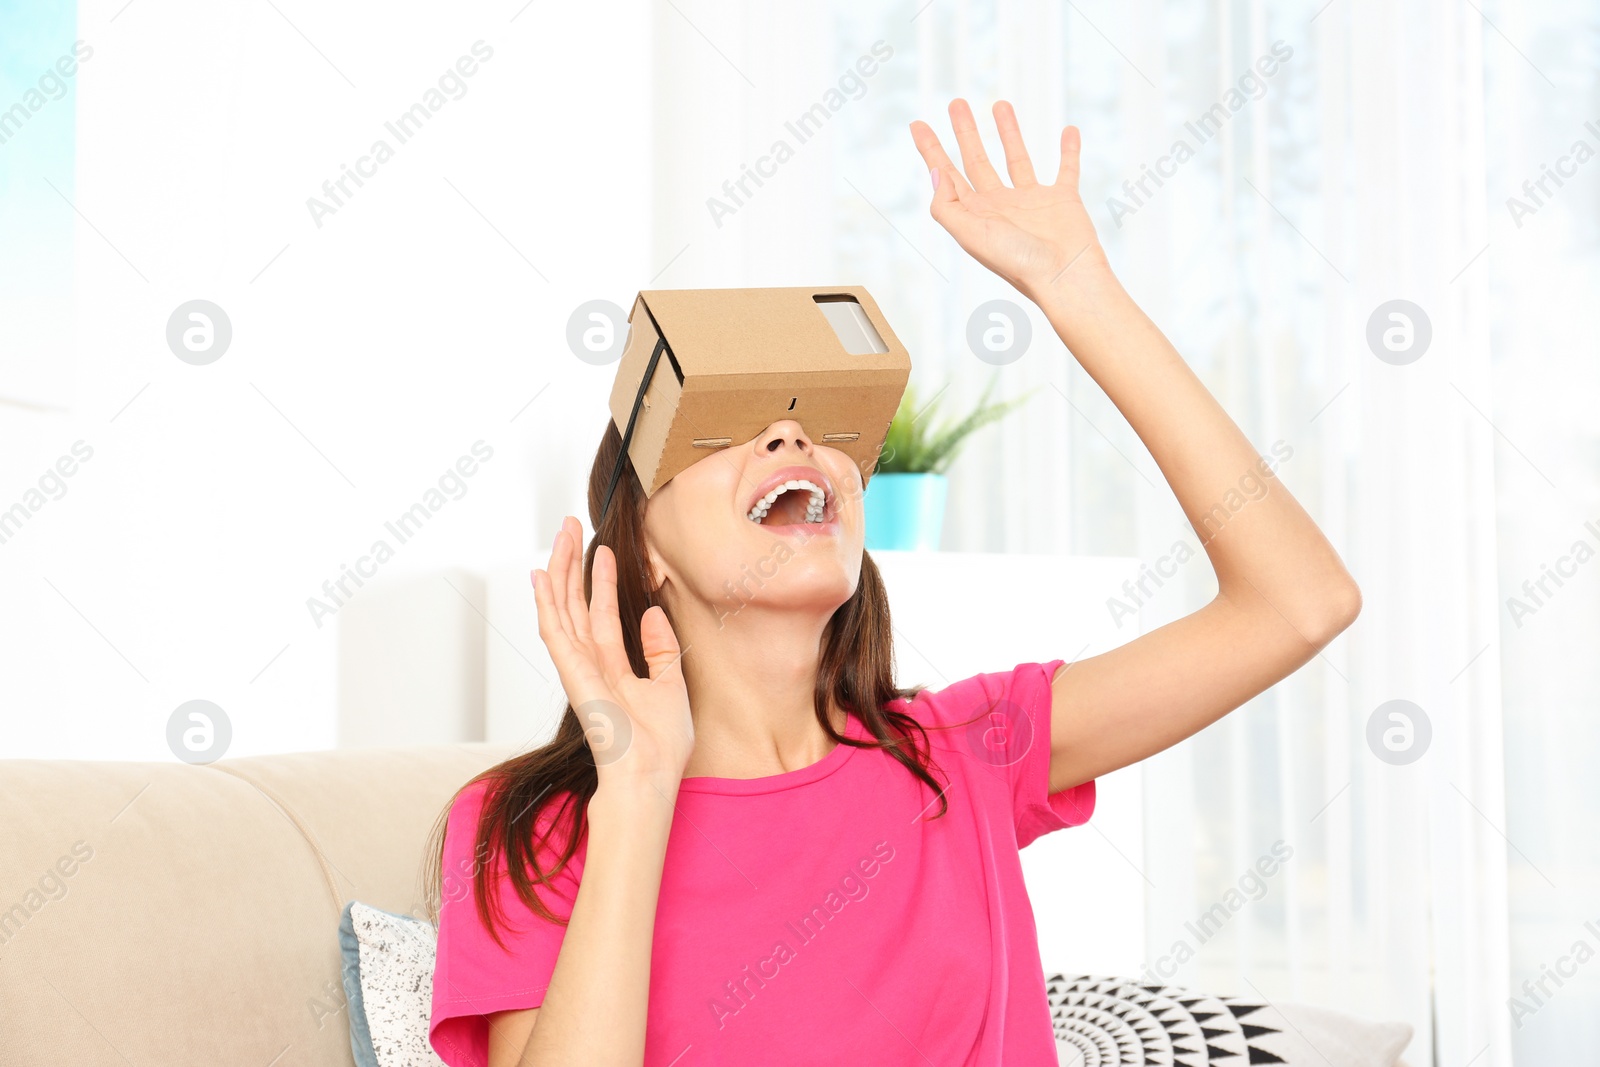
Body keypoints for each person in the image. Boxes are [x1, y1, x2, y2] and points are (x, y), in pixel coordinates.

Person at [423, 97, 1361, 1067]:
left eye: (817, 422)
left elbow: (1299, 601)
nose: (792, 436)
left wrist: (1077, 287)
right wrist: (639, 791)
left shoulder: (965, 752)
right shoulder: (529, 829)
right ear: (645, 546)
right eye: (727, 425)